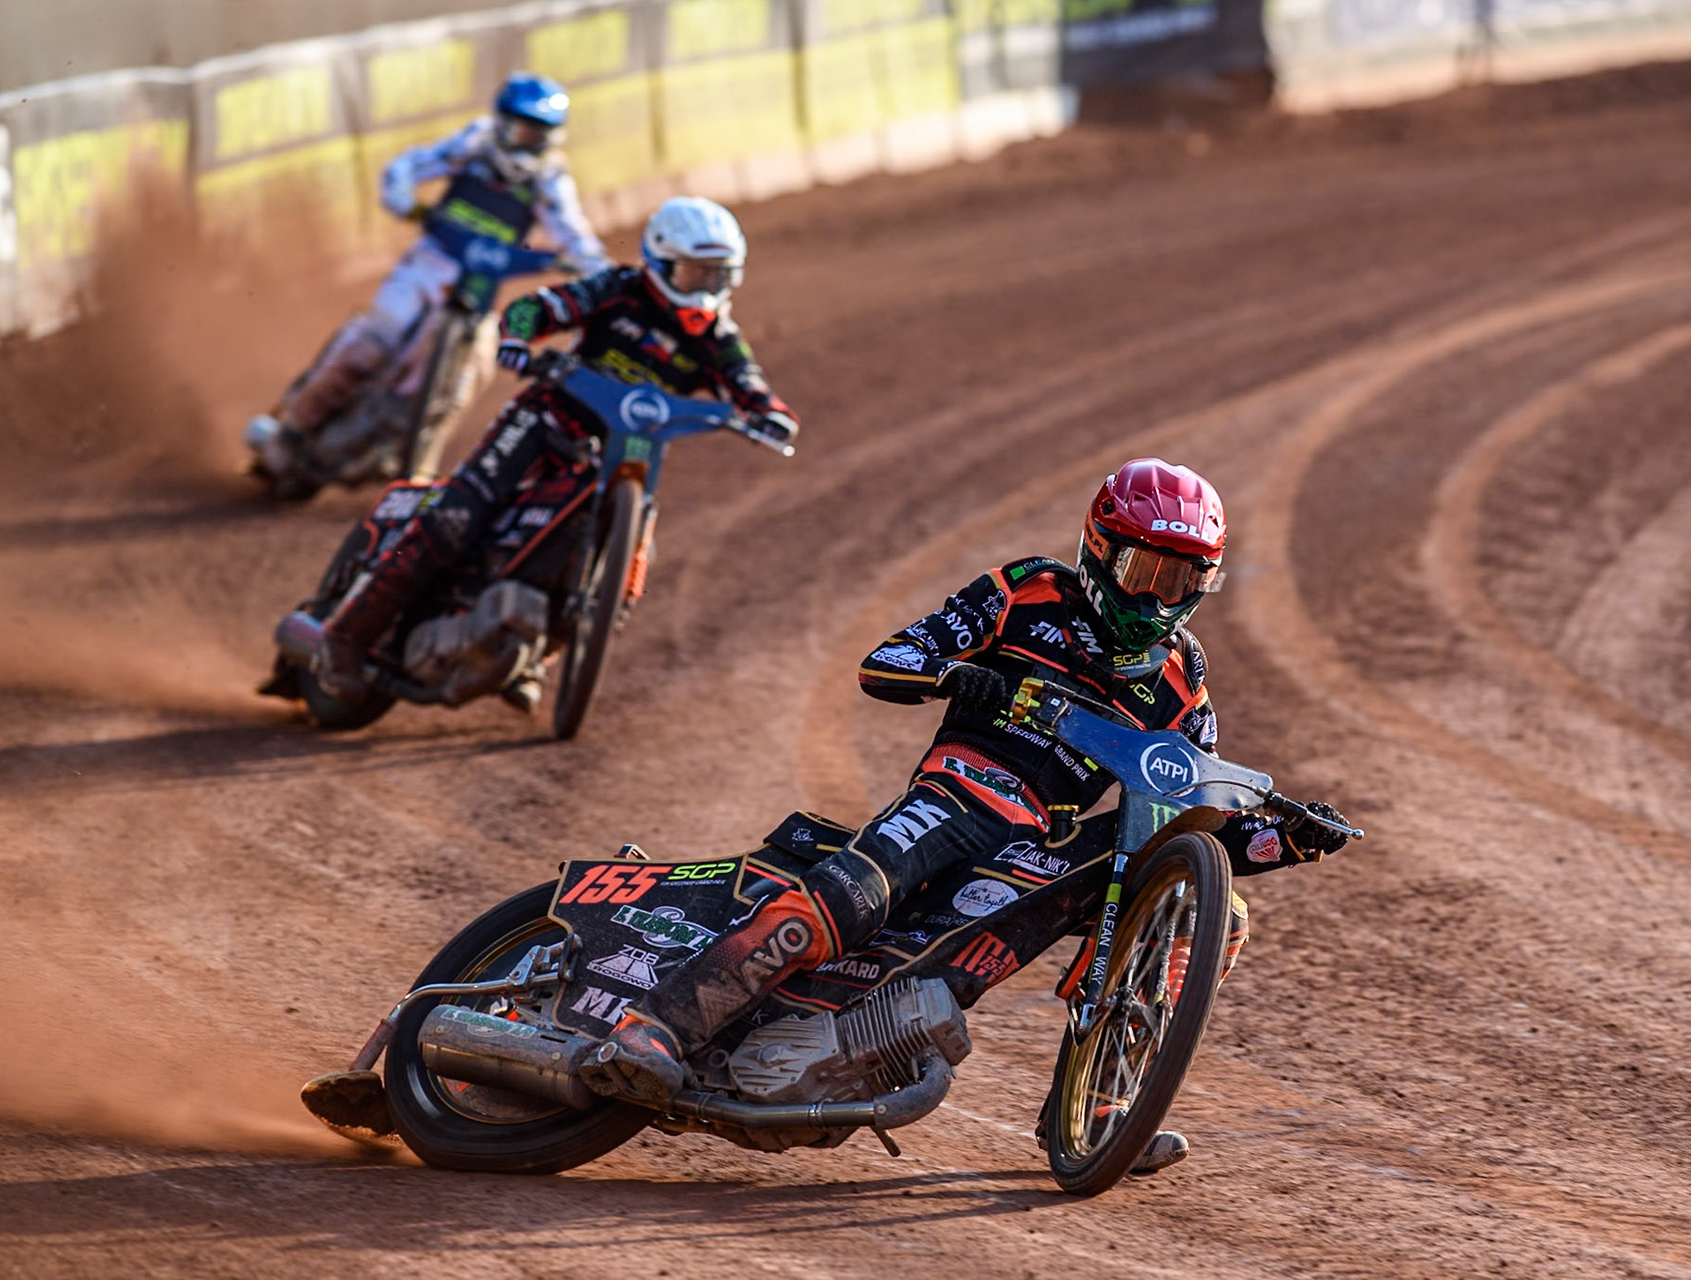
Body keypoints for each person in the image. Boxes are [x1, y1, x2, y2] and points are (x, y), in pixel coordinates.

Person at [580, 457, 1352, 1173]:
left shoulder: (1185, 682)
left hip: (1043, 850)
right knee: (856, 896)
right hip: (961, 791)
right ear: (1099, 549)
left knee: (1214, 913)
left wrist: (1287, 837)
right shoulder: (1025, 591)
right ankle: (658, 1027)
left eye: (1180, 578)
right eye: (1142, 570)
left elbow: (1196, 812)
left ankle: (1103, 1108)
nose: (1156, 596)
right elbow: (889, 662)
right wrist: (962, 679)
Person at [284, 194, 800, 707]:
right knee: (457, 518)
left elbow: (748, 384)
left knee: (621, 561)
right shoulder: (617, 289)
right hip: (544, 422)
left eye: (719, 276)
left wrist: (770, 417)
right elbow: (541, 307)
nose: (707, 291)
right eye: (695, 274)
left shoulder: (717, 336)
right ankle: (344, 639)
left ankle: (531, 658)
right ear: (660, 263)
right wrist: (519, 338)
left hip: (618, 455)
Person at [245, 72, 611, 478]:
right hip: (428, 263)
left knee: (474, 369)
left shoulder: (550, 179)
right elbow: (406, 166)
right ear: (503, 121)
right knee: (372, 341)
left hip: (479, 288)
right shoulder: (475, 145)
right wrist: (404, 202)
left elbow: (575, 233)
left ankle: (416, 465)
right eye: (524, 129)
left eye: (539, 134)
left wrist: (595, 271)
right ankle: (290, 429)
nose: (530, 141)